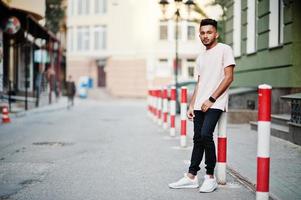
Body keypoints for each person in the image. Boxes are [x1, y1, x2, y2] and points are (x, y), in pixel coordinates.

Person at [168, 18, 235, 193]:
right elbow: (200, 83)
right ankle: (191, 176)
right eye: (203, 33)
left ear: (216, 33)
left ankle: (210, 177)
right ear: (199, 35)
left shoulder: (224, 50)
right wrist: (192, 105)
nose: (206, 36)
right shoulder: (200, 57)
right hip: (200, 104)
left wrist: (211, 99)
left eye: (209, 32)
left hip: (215, 102)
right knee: (197, 139)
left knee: (206, 135)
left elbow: (228, 77)